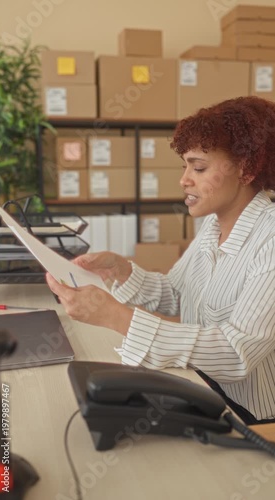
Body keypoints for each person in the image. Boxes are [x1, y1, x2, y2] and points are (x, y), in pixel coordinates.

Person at [46, 96, 275, 425]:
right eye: (185, 166)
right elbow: (176, 294)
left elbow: (236, 353)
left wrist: (117, 317)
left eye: (198, 167)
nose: (184, 179)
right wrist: (121, 271)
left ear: (246, 168)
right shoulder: (214, 225)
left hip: (251, 418)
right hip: (204, 387)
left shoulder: (270, 238)